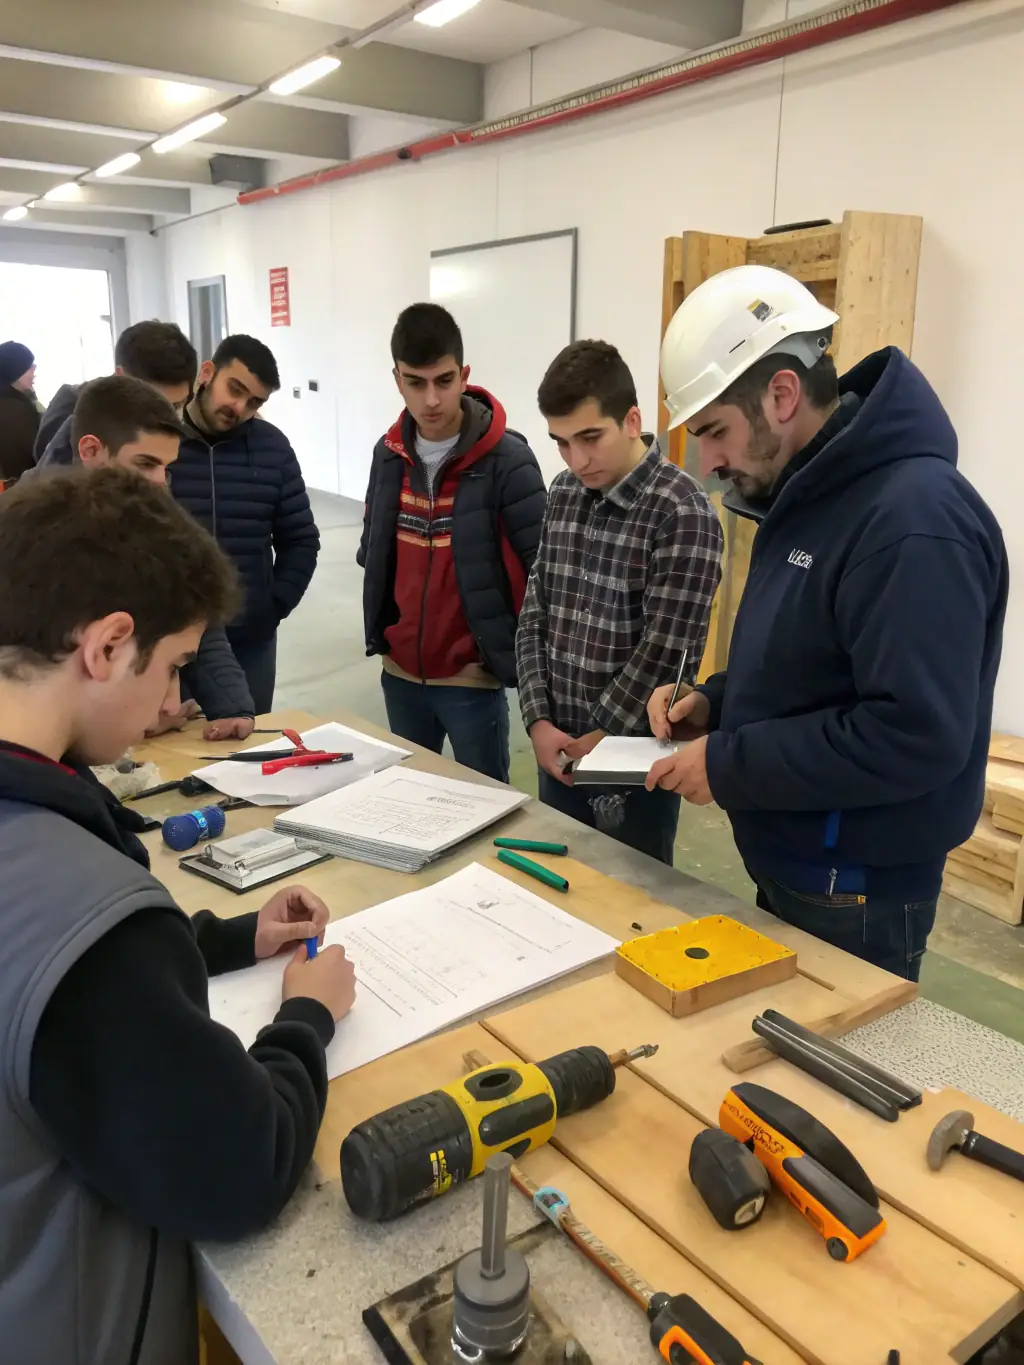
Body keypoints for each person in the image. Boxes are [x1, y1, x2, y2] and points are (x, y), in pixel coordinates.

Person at [0, 466, 356, 1365]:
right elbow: (238, 1169)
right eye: (170, 668)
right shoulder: (92, 928)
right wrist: (305, 1017)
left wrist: (233, 938)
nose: (172, 705)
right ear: (108, 644)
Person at [647, 264, 1007, 980]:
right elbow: (815, 657)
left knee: (831, 1085)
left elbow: (913, 735)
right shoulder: (816, 490)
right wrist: (717, 704)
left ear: (781, 393)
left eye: (714, 430)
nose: (708, 462)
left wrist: (730, 762)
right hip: (806, 863)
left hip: (857, 889)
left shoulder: (913, 523)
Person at [517, 340, 723, 865]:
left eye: (590, 438)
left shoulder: (682, 510)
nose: (576, 459)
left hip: (632, 766)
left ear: (632, 420)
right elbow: (535, 612)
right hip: (558, 750)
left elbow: (666, 649)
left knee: (631, 906)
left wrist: (601, 735)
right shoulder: (563, 492)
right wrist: (538, 720)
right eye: (561, 443)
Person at [358, 303, 546, 782]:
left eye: (443, 380)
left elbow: (543, 573)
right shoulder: (387, 456)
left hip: (471, 679)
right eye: (416, 383)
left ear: (463, 375)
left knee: (485, 806)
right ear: (397, 379)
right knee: (409, 799)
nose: (432, 399)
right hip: (400, 674)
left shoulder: (509, 460)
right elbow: (374, 551)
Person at [34, 375, 256, 741]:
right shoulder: (24, 537)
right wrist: (123, 717)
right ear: (91, 450)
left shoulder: (152, 515)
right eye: (145, 464)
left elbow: (194, 616)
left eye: (166, 467)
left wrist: (231, 706)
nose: (160, 483)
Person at [173, 334, 320, 713]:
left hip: (249, 639)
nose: (239, 407)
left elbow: (301, 539)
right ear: (207, 373)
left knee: (249, 746)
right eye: (234, 389)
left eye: (255, 402)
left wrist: (272, 606)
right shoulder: (161, 445)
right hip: (172, 640)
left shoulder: (273, 449)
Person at [35, 318, 197, 463]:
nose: (169, 420)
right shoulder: (70, 414)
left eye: (176, 406)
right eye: (156, 409)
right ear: (122, 376)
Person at [0, 340, 41, 482]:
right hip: (22, 491)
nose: (34, 368)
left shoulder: (20, 401)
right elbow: (35, 455)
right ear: (14, 372)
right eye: (29, 366)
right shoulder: (14, 410)